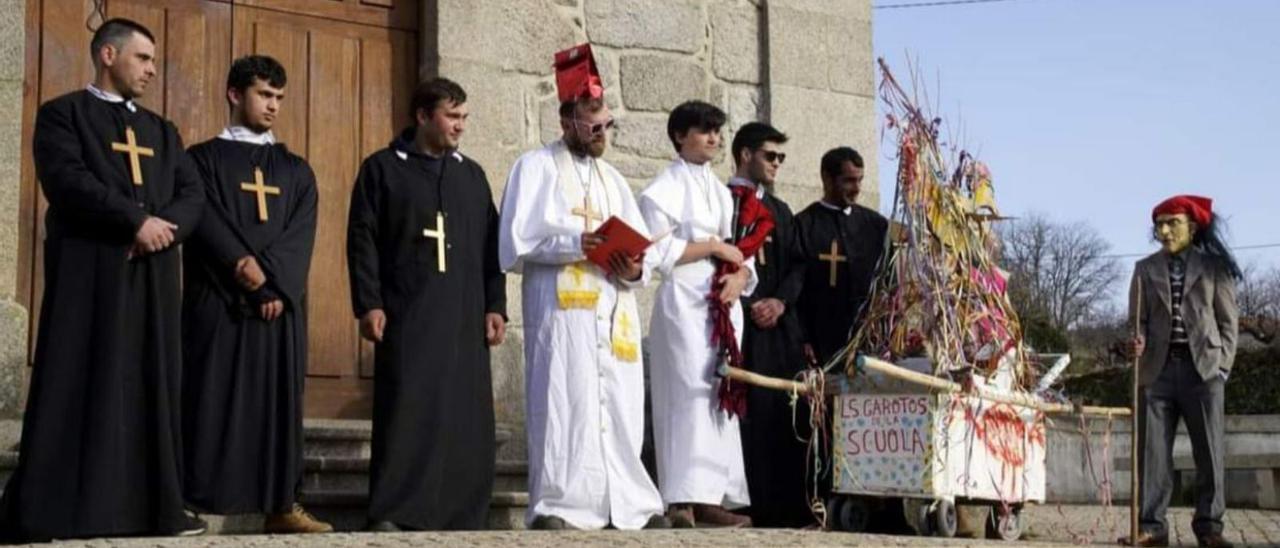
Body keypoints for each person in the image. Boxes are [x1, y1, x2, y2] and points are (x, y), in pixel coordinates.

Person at [0, 18, 207, 542]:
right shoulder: (63, 115)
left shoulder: (163, 131)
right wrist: (133, 221)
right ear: (108, 55)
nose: (152, 70)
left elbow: (191, 193)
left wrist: (162, 229)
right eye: (143, 59)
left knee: (149, 382)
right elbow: (67, 179)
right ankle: (67, 509)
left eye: (154, 61)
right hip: (90, 275)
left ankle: (155, 509)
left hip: (154, 278)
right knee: (82, 376)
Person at [498, 44, 668, 531]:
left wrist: (633, 266)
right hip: (564, 313)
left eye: (606, 124)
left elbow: (645, 255)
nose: (601, 133)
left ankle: (629, 504)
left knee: (618, 402)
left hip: (613, 311)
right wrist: (578, 241)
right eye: (593, 123)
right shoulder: (534, 167)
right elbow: (517, 240)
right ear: (566, 118)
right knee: (563, 402)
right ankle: (559, 503)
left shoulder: (614, 179)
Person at [346, 77, 507, 531]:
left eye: (464, 117)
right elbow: (362, 241)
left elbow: (490, 246)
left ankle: (462, 512)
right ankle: (393, 511)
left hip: (464, 314)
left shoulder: (471, 175)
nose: (460, 126)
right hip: (407, 311)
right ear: (422, 116)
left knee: (464, 413)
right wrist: (369, 303)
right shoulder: (382, 169)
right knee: (407, 410)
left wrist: (495, 304)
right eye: (451, 116)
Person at [181, 55, 330, 534]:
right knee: (210, 398)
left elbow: (300, 232)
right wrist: (246, 274)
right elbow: (203, 220)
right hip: (219, 302)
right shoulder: (199, 160)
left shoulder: (296, 170)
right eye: (265, 95)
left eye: (279, 98)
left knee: (278, 405)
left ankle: (281, 503)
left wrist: (272, 284)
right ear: (234, 94)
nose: (273, 107)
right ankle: (198, 500)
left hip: (278, 307)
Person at [639, 100, 754, 528]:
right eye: (704, 131)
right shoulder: (662, 188)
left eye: (717, 131)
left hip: (722, 302)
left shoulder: (723, 193)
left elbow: (743, 252)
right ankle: (681, 497)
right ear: (679, 136)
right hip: (685, 299)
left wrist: (741, 276)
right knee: (684, 392)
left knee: (717, 394)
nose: (714, 138)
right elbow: (657, 251)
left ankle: (712, 495)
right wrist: (712, 247)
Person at [1122, 195, 1239, 548]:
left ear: (1192, 226)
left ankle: (1209, 527)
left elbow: (1228, 322)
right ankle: (1152, 528)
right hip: (1156, 372)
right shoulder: (1144, 269)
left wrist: (1222, 368)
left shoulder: (1214, 268)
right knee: (1153, 455)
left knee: (1210, 452)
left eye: (1173, 222)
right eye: (1160, 224)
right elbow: (1135, 322)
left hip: (1203, 370)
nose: (1165, 230)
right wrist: (1135, 341)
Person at [728, 122, 811, 528]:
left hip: (779, 329)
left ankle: (788, 505)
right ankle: (745, 503)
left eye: (781, 157)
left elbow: (798, 264)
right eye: (770, 156)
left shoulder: (780, 211)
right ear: (745, 154)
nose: (777, 163)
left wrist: (779, 301)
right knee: (746, 414)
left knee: (785, 411)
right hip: (739, 327)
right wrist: (747, 304)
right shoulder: (722, 202)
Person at [789, 147, 888, 367]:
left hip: (868, 339)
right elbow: (795, 287)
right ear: (827, 178)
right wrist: (802, 338)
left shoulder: (876, 225)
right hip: (820, 340)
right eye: (849, 181)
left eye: (860, 180)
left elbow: (888, 282)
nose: (857, 189)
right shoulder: (803, 225)